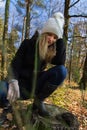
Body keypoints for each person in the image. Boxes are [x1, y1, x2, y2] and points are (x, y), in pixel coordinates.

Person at [0, 12, 67, 117]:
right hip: (18, 86)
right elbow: (15, 64)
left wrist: (61, 38)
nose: (51, 39)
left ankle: (38, 101)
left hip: (35, 86)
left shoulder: (49, 51)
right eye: (50, 34)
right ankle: (7, 106)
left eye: (55, 37)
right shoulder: (27, 44)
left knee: (62, 71)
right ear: (44, 32)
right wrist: (13, 81)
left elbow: (60, 63)